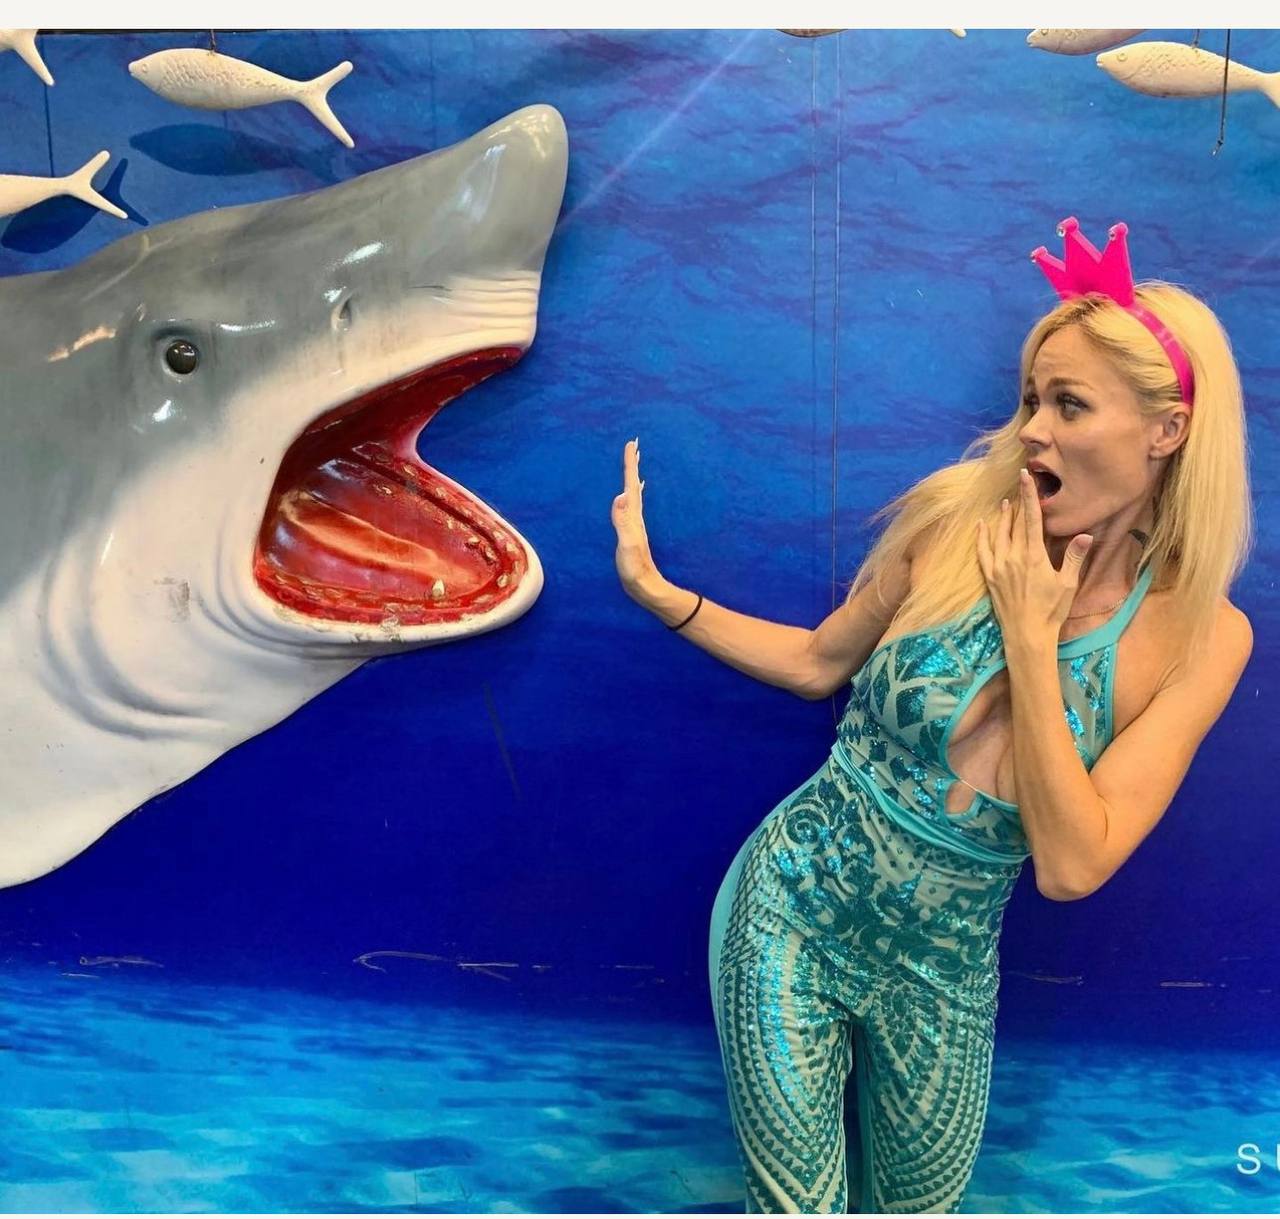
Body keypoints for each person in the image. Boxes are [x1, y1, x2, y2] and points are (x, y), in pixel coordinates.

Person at [609, 217, 1255, 1214]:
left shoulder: (1205, 636)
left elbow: (1072, 864)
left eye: (1069, 404)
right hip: (791, 907)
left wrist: (1031, 636)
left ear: (1164, 431)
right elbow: (819, 661)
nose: (1032, 430)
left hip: (941, 976)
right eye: (1030, 399)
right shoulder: (955, 517)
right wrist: (661, 596)